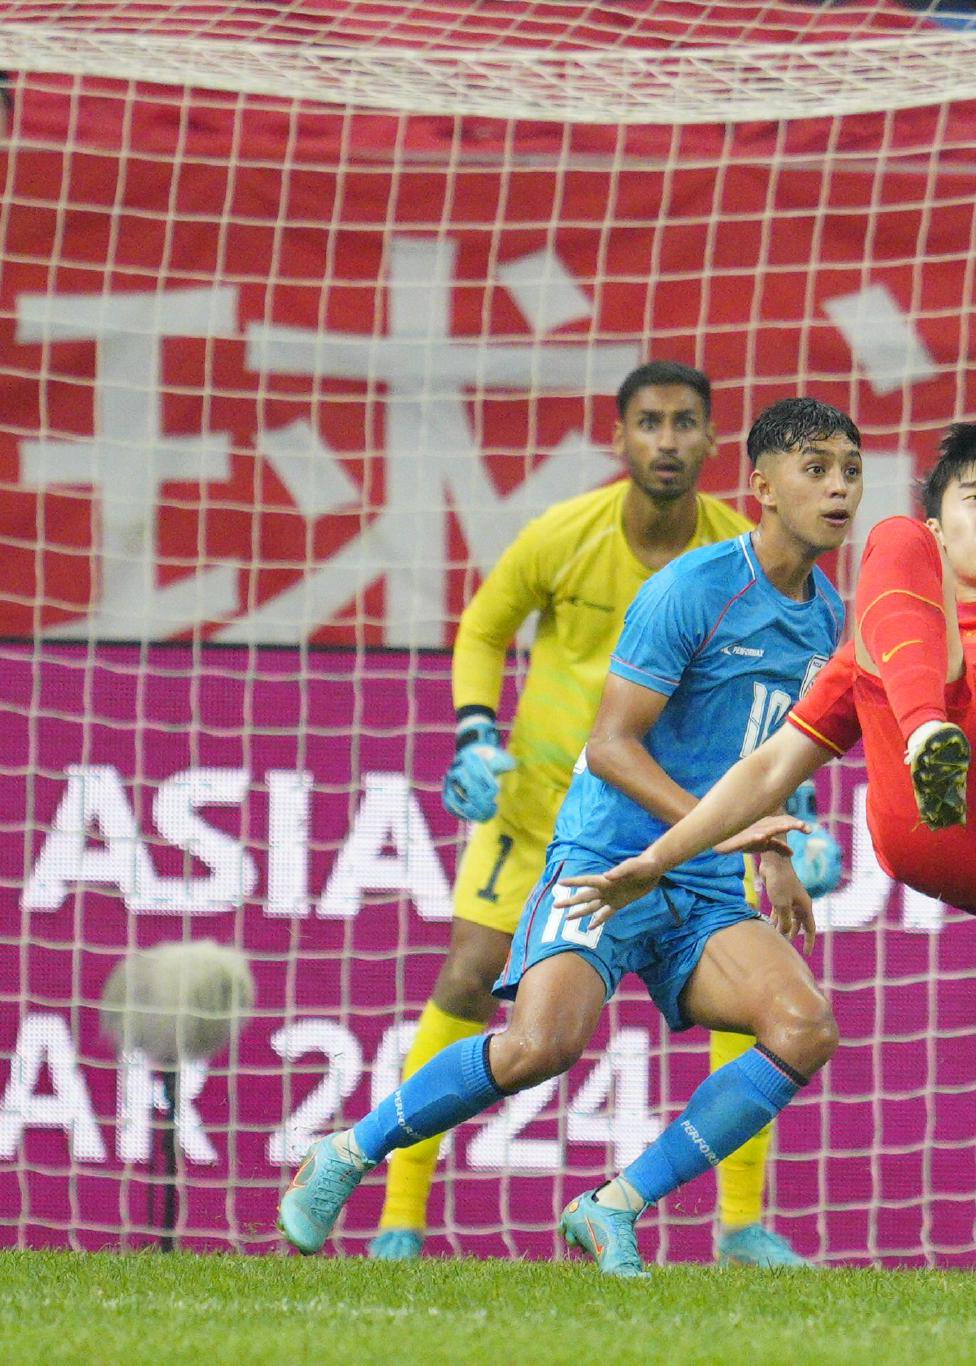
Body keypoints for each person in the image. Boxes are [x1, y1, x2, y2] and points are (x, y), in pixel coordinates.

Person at [278, 398, 864, 1279]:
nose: (839, 487)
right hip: (605, 863)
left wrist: (769, 852)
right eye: (815, 468)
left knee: (804, 1024)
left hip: (698, 883)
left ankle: (611, 1207)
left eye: (851, 470)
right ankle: (347, 1153)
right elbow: (611, 747)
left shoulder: (826, 618)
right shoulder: (694, 589)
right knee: (538, 1049)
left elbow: (764, 761)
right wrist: (736, 834)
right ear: (762, 487)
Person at [556, 411, 976, 941]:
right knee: (893, 543)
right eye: (975, 497)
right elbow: (769, 769)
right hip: (928, 826)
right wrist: (659, 859)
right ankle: (928, 730)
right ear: (942, 525)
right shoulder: (882, 631)